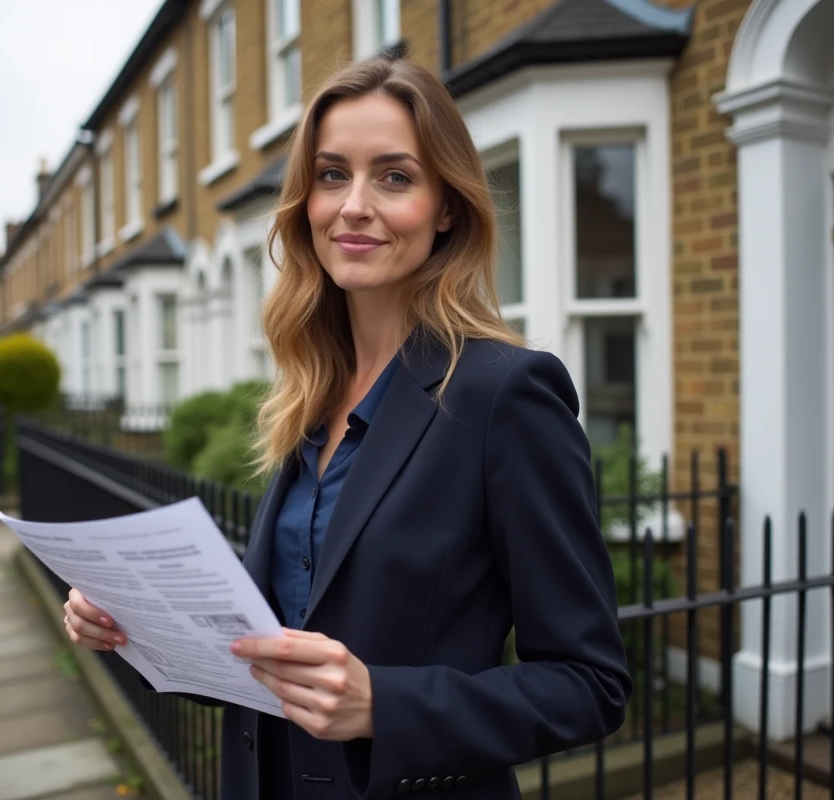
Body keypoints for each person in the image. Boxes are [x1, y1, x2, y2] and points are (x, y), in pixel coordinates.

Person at [62, 53, 632, 799]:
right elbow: (273, 657)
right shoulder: (309, 393)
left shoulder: (505, 394)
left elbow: (590, 685)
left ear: (447, 206)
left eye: (394, 177)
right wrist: (137, 629)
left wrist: (385, 706)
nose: (353, 205)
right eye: (332, 175)